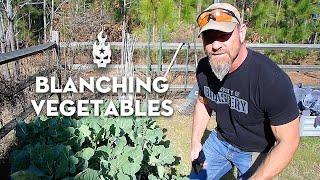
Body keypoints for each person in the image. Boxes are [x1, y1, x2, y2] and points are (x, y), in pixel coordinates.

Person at [190, 3, 300, 180]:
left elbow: (289, 141)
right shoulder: (204, 68)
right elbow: (203, 102)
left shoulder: (271, 80)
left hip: (256, 151)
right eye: (208, 37)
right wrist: (195, 142)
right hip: (219, 142)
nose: (215, 45)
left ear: (241, 32)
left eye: (224, 35)